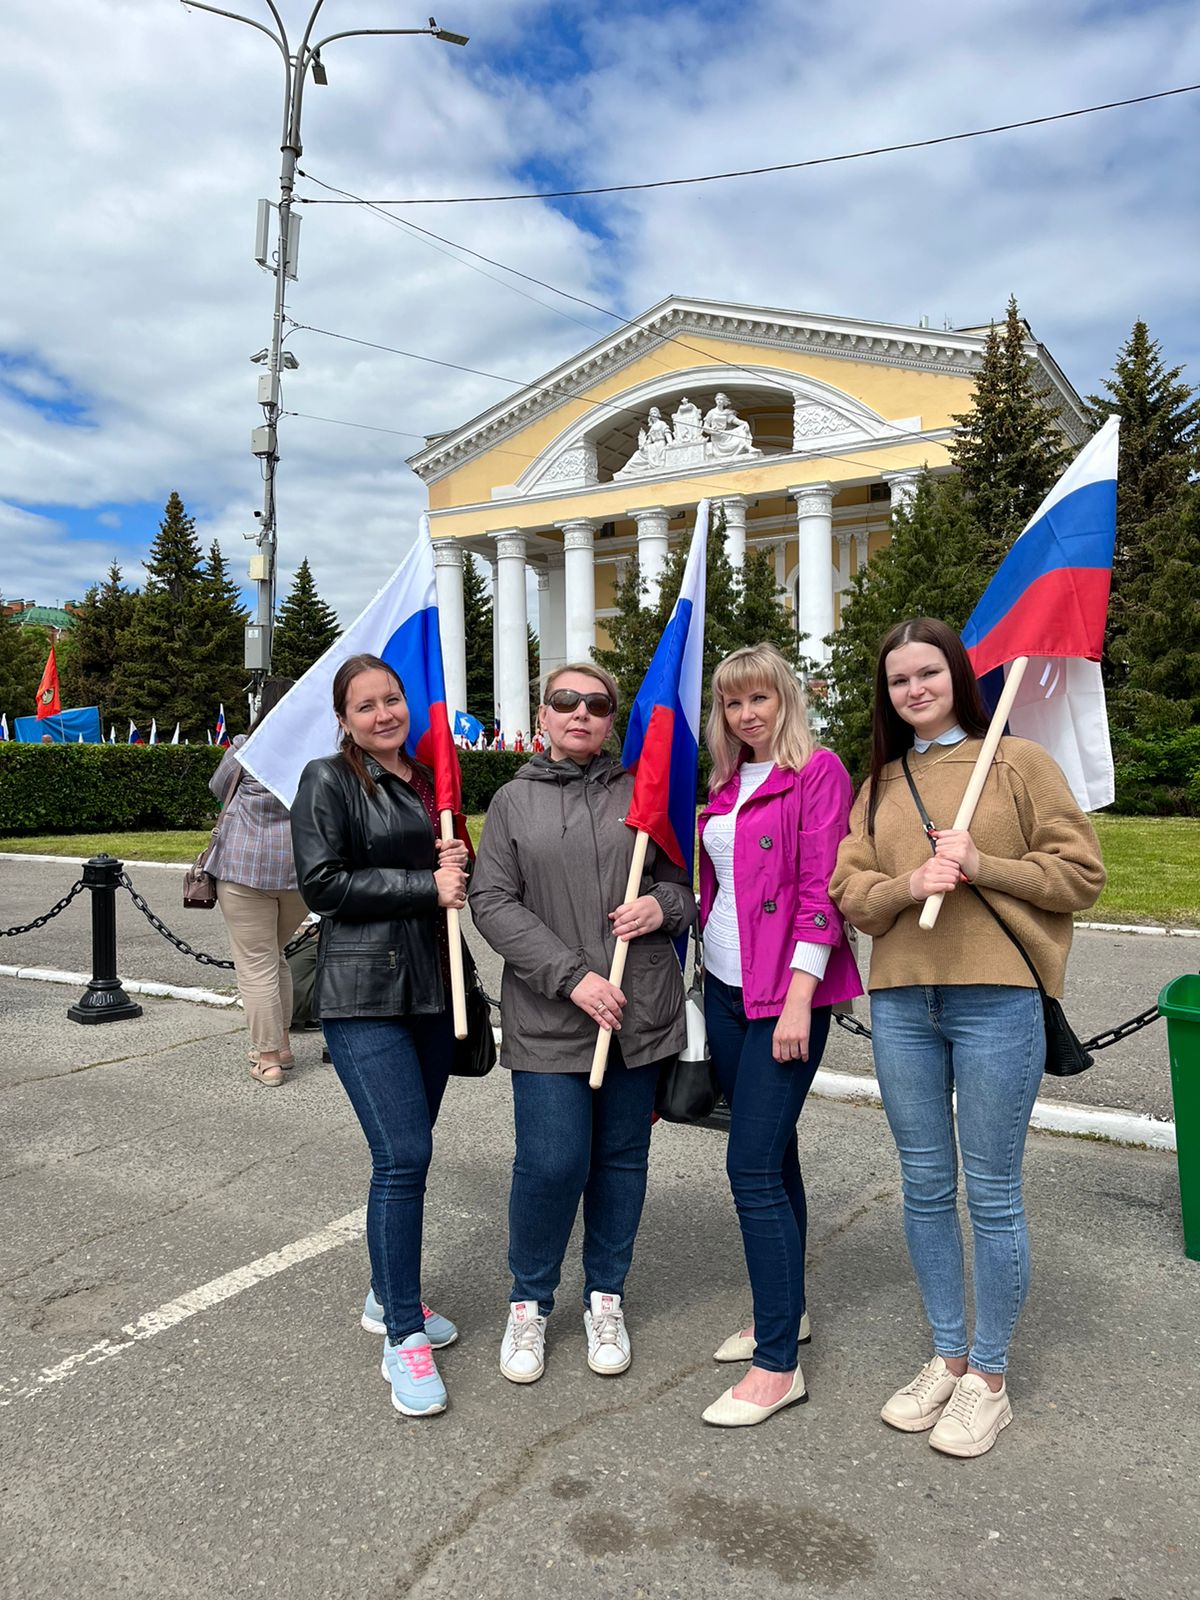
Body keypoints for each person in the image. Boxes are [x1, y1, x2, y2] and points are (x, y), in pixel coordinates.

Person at [830, 618, 1105, 1458]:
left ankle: (989, 1376)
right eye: (899, 679)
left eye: (929, 673)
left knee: (990, 1191)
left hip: (998, 1000)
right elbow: (850, 888)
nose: (914, 689)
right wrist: (911, 884)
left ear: (957, 675)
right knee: (922, 1187)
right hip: (905, 1002)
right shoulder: (877, 784)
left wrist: (985, 866)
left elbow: (1081, 875)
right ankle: (947, 1355)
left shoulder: (1018, 763)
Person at [469, 663, 696, 1386]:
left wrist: (662, 907)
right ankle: (529, 1303)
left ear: (610, 720)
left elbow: (685, 887)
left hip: (636, 1013)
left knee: (621, 1161)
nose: (581, 714)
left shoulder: (643, 792)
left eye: (597, 705)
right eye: (566, 702)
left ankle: (606, 1296)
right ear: (543, 716)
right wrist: (573, 978)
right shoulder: (512, 801)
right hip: (550, 1014)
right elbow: (493, 902)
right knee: (551, 1163)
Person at [290, 653, 470, 1418]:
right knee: (404, 1156)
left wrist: (460, 862)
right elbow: (322, 885)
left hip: (433, 990)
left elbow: (453, 881)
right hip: (363, 995)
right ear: (345, 719)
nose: (384, 713)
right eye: (365, 706)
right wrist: (425, 884)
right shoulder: (327, 781)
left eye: (392, 698)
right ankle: (403, 1336)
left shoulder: (432, 780)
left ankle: (384, 1290)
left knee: (408, 1155)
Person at [696, 643, 862, 1428]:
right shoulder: (726, 783)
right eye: (732, 703)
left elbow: (818, 891)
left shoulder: (818, 770)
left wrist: (800, 1000)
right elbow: (718, 887)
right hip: (725, 989)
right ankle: (784, 1312)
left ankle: (776, 1366)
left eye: (759, 699)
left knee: (750, 1167)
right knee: (778, 1155)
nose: (746, 713)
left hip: (780, 997)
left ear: (785, 700)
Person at [208, 678, 307, 1087]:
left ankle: (268, 1060)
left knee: (256, 963)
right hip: (300, 873)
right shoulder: (316, 753)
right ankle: (281, 1044)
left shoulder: (246, 747)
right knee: (275, 955)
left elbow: (218, 787)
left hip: (244, 870)